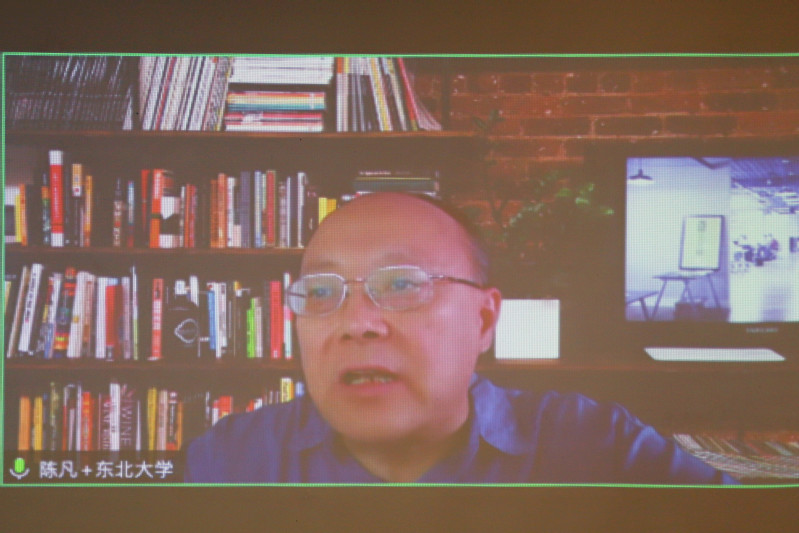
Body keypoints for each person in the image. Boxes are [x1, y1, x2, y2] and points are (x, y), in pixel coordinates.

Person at [185, 192, 737, 484]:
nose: (356, 323)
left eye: (402, 284)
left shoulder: (597, 448)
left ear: (484, 320)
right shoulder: (230, 461)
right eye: (322, 292)